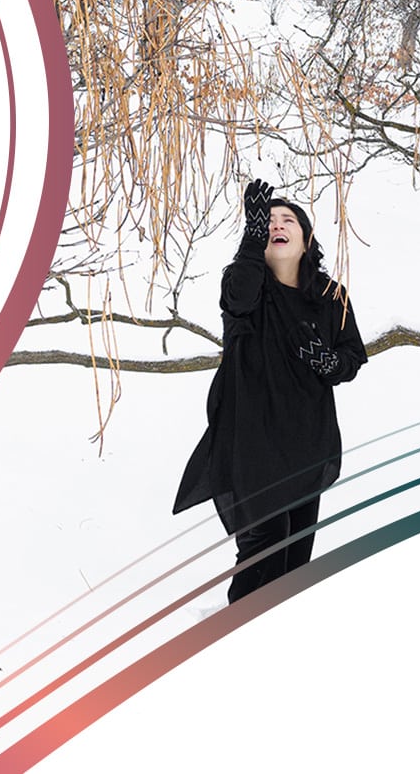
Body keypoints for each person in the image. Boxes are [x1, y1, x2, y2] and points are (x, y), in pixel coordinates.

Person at [174, 179, 366, 601]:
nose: (276, 224)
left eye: (287, 219)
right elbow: (239, 295)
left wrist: (327, 362)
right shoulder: (247, 287)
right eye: (269, 220)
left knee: (296, 558)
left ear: (305, 237)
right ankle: (232, 638)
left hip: (306, 443)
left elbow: (351, 358)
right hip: (251, 441)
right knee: (265, 548)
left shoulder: (332, 298)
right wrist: (251, 233)